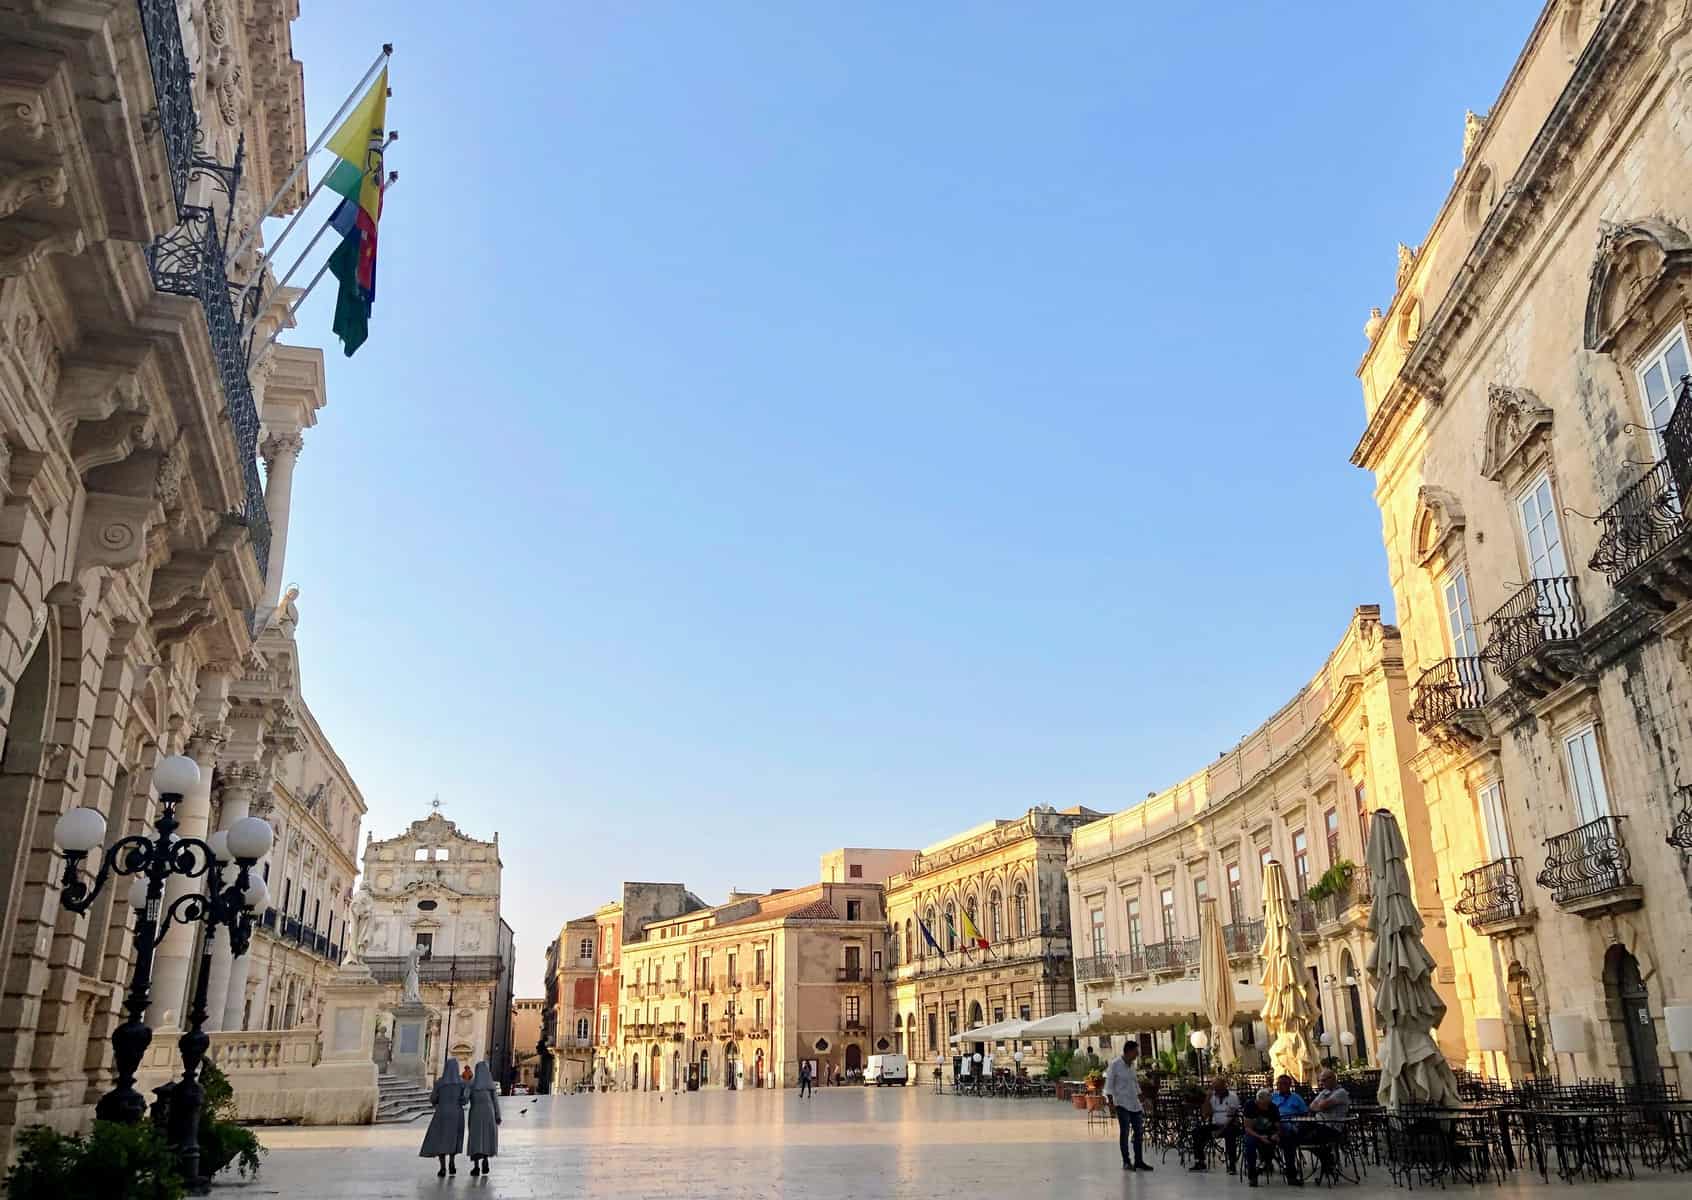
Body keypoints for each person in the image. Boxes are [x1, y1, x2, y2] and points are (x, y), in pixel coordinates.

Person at [1103, 1040, 1152, 1172]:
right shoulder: (1115, 1065)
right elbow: (1109, 1085)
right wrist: (1111, 1103)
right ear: (1129, 1051)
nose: (1137, 1054)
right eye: (1136, 1052)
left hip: (1134, 1104)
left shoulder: (1132, 1066)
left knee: (1139, 1133)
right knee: (1124, 1132)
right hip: (1122, 1103)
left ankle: (1139, 1161)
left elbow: (1135, 1085)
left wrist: (1143, 1099)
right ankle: (1126, 1161)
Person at [419, 1057, 468, 1177]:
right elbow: (464, 1100)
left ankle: (442, 1168)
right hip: (457, 1114)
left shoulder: (440, 1083)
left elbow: (433, 1099)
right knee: (454, 1138)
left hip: (441, 1113)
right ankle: (452, 1161)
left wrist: (438, 1103)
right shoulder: (462, 1083)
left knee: (440, 1139)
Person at [1241, 1087, 1300, 1187]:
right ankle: (1252, 1176)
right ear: (1258, 1100)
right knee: (1249, 1144)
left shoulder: (1272, 1107)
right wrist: (1260, 1137)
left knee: (1289, 1142)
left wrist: (1276, 1134)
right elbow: (1247, 1128)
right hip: (1254, 1133)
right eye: (1264, 1104)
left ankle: (1291, 1176)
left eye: (1268, 1104)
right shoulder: (1250, 1106)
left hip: (1270, 1132)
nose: (1266, 1107)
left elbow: (1278, 1126)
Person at [1189, 1074, 1242, 1172]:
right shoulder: (1212, 1097)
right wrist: (1207, 1100)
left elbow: (1232, 1118)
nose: (1215, 1090)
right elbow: (1204, 1115)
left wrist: (1220, 1130)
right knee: (1197, 1132)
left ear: (1224, 1086)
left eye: (1217, 1087)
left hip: (1230, 1124)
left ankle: (1232, 1164)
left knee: (1230, 1134)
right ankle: (1200, 1161)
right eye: (1214, 1087)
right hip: (1216, 1125)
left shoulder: (1232, 1097)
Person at [1303, 1069, 1350, 1175]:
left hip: (1333, 1128)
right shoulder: (1324, 1092)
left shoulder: (1341, 1092)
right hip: (1320, 1125)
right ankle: (1327, 1159)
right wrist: (1321, 1106)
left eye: (1323, 1080)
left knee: (1309, 1138)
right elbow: (1311, 1106)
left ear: (1332, 1079)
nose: (1321, 1083)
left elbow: (1321, 1106)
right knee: (1300, 1135)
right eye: (1320, 1081)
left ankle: (1327, 1160)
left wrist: (1320, 1105)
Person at [1270, 1074, 1308, 1184]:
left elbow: (1305, 1114)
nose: (1281, 1086)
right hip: (1275, 1126)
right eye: (1279, 1083)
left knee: (1288, 1141)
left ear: (1289, 1085)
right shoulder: (1272, 1097)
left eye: (1284, 1083)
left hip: (1292, 1127)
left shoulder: (1296, 1097)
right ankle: (1267, 1161)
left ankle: (1291, 1175)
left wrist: (1297, 1124)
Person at [466, 1060, 502, 1176]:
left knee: (476, 1137)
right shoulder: (490, 1085)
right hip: (489, 1113)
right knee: (486, 1137)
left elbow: (465, 1098)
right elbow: (495, 1102)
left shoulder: (472, 1084)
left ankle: (476, 1166)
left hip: (476, 1112)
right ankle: (486, 1160)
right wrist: (498, 1115)